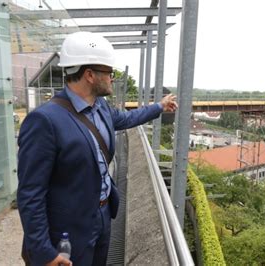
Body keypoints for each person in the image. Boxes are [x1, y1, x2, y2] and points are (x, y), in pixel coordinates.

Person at [17, 31, 178, 266]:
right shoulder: (44, 121)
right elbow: (30, 193)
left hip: (102, 216)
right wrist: (43, 252)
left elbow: (126, 118)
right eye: (109, 73)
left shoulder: (100, 107)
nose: (112, 78)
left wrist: (159, 107)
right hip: (67, 231)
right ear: (90, 75)